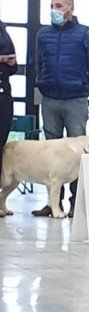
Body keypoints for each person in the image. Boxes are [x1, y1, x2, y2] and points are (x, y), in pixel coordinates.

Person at [32, 0, 89, 218]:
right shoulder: (43, 35)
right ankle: (53, 203)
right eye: (52, 5)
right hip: (50, 99)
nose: (55, 10)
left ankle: (76, 203)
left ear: (70, 8)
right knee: (50, 155)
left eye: (59, 5)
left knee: (77, 156)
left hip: (75, 101)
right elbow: (37, 63)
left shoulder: (86, 34)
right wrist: (42, 84)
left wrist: (83, 91)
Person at [0, 18, 17, 204]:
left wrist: (10, 63)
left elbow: (14, 67)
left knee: (1, 145)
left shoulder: (3, 30)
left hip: (3, 96)